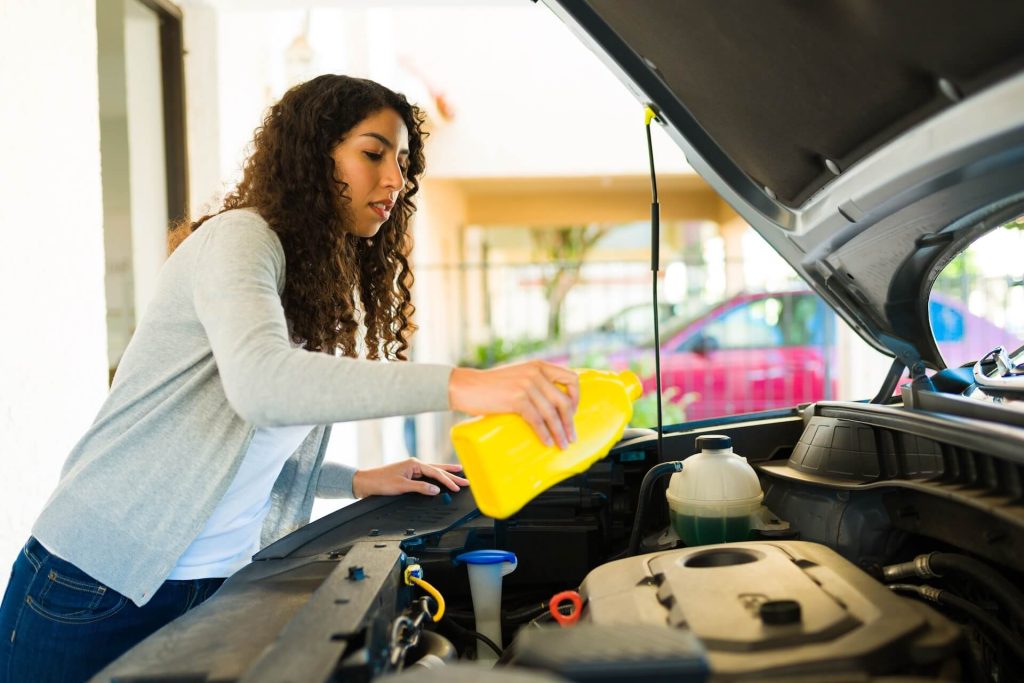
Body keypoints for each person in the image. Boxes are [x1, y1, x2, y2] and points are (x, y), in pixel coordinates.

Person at [0, 74, 579, 682]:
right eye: (373, 153)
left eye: (403, 163)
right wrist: (465, 384)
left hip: (213, 583)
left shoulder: (311, 278)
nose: (394, 180)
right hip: (94, 583)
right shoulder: (239, 238)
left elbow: (235, 445)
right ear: (313, 154)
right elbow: (264, 387)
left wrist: (355, 478)